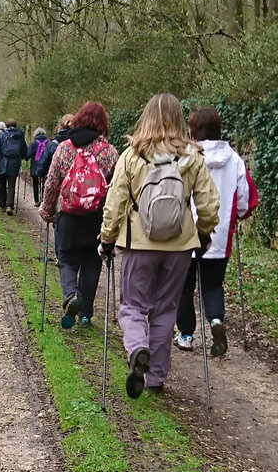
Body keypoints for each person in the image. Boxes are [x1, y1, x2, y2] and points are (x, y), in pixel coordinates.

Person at [99, 92, 220, 397]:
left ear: (146, 116)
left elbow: (114, 205)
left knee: (132, 306)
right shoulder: (193, 157)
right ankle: (154, 378)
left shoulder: (132, 155)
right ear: (180, 120)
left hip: (139, 244)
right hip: (179, 247)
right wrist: (203, 235)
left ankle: (138, 348)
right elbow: (209, 206)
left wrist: (107, 238)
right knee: (166, 310)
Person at [175, 107, 258, 357]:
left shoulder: (186, 156)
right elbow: (245, 200)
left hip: (187, 232)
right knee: (212, 285)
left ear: (192, 130)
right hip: (219, 235)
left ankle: (186, 335)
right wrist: (238, 215)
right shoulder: (234, 160)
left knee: (184, 286)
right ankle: (215, 321)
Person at [39, 101, 118, 329]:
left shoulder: (65, 148)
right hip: (96, 217)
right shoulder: (110, 152)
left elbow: (52, 181)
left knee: (66, 260)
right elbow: (116, 188)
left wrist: (47, 209)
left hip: (69, 216)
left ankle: (71, 295)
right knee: (92, 262)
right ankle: (85, 314)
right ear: (103, 123)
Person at [0, 118, 27, 213]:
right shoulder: (20, 136)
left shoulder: (2, 135)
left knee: (2, 183)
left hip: (2, 162)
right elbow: (24, 150)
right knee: (11, 184)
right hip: (14, 163)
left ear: (6, 126)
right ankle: (10, 206)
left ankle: (2, 205)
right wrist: (20, 158)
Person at [27, 127, 50, 205]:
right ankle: (43, 200)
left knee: (35, 183)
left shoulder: (34, 143)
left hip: (35, 166)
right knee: (44, 183)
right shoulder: (48, 143)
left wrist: (26, 158)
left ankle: (37, 201)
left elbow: (28, 155)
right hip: (45, 166)